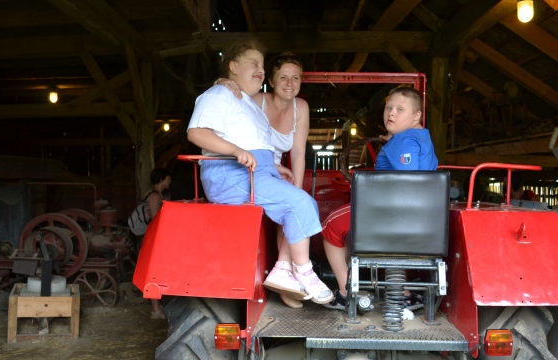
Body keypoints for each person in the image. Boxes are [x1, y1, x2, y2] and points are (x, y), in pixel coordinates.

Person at [186, 39, 333, 306]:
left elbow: (252, 142)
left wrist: (274, 166)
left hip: (253, 173)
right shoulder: (220, 94)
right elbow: (196, 133)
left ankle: (283, 270)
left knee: (305, 203)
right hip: (230, 174)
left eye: (262, 66)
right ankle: (304, 272)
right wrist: (235, 151)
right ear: (233, 66)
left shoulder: (248, 104)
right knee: (298, 202)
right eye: (253, 63)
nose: (260, 70)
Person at [321, 85, 438, 310]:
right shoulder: (420, 137)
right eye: (388, 108)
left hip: (390, 212)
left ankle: (346, 292)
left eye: (400, 109)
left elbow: (409, 180)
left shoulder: (403, 142)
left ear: (416, 116)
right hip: (419, 218)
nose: (391, 113)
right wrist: (392, 141)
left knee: (330, 225)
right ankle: (402, 293)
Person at [217, 52, 310, 308]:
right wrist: (222, 82)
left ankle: (284, 272)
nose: (290, 83)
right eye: (284, 77)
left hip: (275, 170)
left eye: (296, 78)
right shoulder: (256, 100)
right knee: (293, 202)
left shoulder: (301, 107)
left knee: (296, 202)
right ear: (271, 80)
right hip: (248, 166)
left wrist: (298, 187)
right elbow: (228, 105)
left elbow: (298, 152)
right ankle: (286, 275)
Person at [141, 167, 171, 319]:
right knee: (153, 274)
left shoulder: (155, 194)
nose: (170, 180)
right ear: (163, 179)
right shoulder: (154, 196)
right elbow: (155, 220)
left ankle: (156, 307)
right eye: (168, 178)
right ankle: (155, 310)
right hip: (152, 238)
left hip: (151, 237)